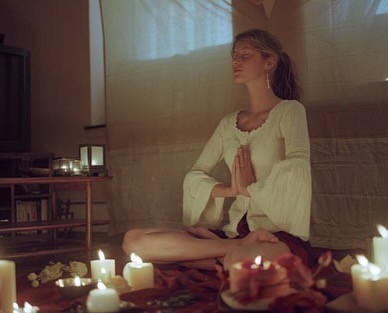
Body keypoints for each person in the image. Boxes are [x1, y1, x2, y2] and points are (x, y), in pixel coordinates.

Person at [122, 28, 312, 270]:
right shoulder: (228, 123)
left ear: (269, 62)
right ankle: (227, 250)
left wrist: (250, 189)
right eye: (234, 56)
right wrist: (231, 189)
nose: (235, 61)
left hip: (275, 236)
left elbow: (298, 169)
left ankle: (210, 258)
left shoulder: (290, 111)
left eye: (245, 55)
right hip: (234, 235)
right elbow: (195, 175)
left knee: (240, 262)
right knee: (134, 241)